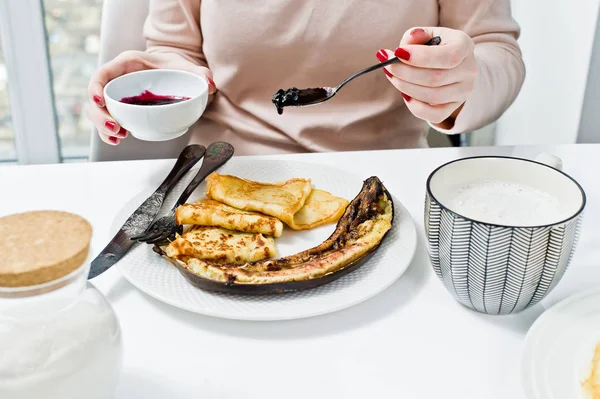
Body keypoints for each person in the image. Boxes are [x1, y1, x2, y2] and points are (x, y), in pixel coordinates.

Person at [87, 0, 524, 155]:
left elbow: (495, 48)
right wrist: (160, 79)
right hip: (223, 171)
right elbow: (177, 50)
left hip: (384, 175)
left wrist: (460, 84)